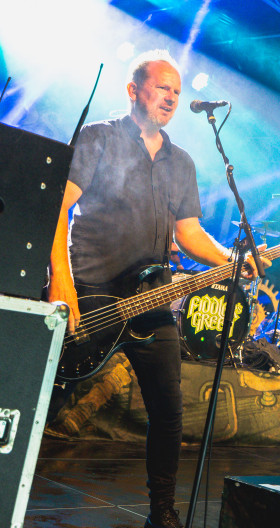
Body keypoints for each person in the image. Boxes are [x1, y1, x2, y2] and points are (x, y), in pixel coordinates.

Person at [48, 50, 266, 528]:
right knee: (47, 394)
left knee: (169, 412)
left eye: (177, 91)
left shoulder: (181, 162)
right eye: (162, 87)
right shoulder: (99, 138)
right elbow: (58, 207)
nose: (171, 97)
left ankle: (162, 511)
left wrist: (233, 262)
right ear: (133, 90)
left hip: (151, 298)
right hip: (90, 292)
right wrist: (61, 280)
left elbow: (189, 234)